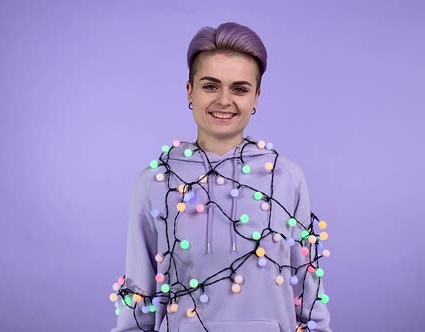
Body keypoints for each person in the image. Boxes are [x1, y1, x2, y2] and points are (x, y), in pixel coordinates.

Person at [109, 22, 332, 332]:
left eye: (239, 88)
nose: (224, 100)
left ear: (256, 97)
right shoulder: (156, 182)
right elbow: (138, 297)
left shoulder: (284, 177)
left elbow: (308, 293)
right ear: (190, 91)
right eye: (210, 85)